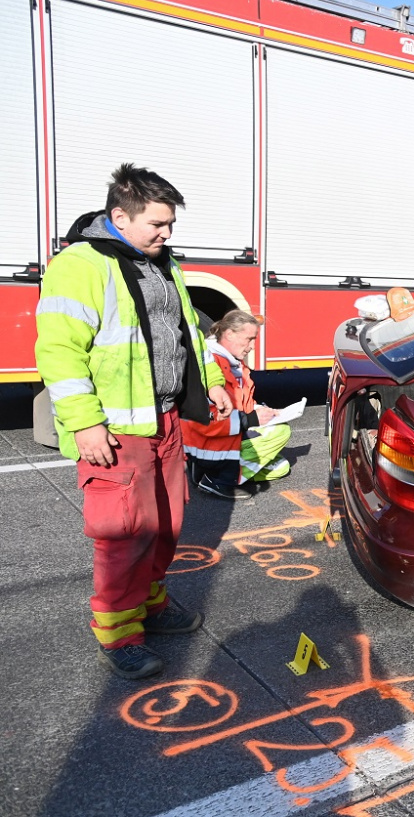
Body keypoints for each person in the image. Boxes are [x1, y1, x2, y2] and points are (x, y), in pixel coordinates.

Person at [35, 163, 233, 680]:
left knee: (166, 523)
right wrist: (84, 423)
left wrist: (210, 379)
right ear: (120, 216)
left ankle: (149, 603)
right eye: (158, 225)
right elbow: (59, 352)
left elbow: (187, 329)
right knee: (124, 532)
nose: (167, 234)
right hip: (117, 429)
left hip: (163, 419)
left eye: (171, 225)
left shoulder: (160, 262)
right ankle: (119, 632)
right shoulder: (81, 265)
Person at [182, 309, 292, 500]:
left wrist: (261, 411)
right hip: (211, 439)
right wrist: (252, 418)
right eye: (249, 339)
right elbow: (209, 419)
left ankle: (221, 471)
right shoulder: (212, 363)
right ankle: (215, 478)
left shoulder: (234, 363)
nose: (252, 347)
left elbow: (243, 405)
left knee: (282, 467)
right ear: (229, 334)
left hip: (228, 434)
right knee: (280, 432)